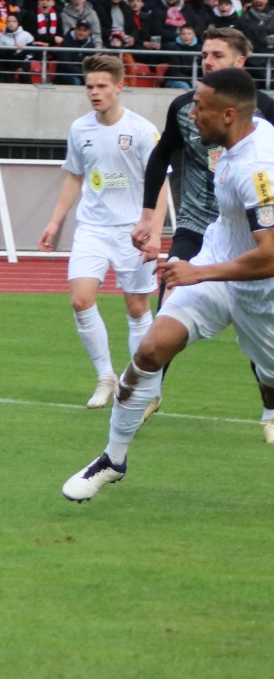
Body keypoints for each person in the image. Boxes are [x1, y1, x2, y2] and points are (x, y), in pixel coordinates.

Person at [62, 66, 274, 500]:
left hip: (260, 291)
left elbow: (270, 255)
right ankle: (113, 458)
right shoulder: (243, 139)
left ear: (229, 114)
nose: (191, 115)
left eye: (200, 107)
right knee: (150, 350)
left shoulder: (259, 169)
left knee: (270, 380)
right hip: (217, 267)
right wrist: (200, 267)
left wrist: (197, 271)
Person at [37, 55, 162, 409]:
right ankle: (105, 377)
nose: (94, 92)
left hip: (133, 230)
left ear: (119, 87)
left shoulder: (142, 130)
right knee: (80, 300)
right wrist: (55, 222)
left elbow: (161, 185)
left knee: (136, 307)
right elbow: (74, 177)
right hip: (92, 227)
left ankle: (137, 385)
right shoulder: (80, 129)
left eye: (102, 86)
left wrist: (154, 232)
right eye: (89, 86)